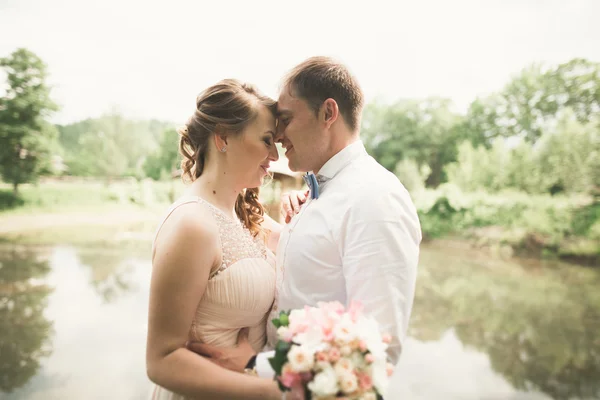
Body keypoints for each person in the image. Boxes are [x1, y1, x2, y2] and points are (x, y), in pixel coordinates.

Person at [188, 56, 422, 386]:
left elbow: (377, 349)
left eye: (285, 119)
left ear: (328, 113)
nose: (278, 135)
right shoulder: (317, 193)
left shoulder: (375, 200)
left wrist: (258, 364)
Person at [146, 79, 285, 399]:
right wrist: (270, 392)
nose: (275, 155)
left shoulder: (248, 216)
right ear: (223, 137)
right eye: (266, 140)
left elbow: (309, 243)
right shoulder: (191, 225)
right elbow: (161, 360)